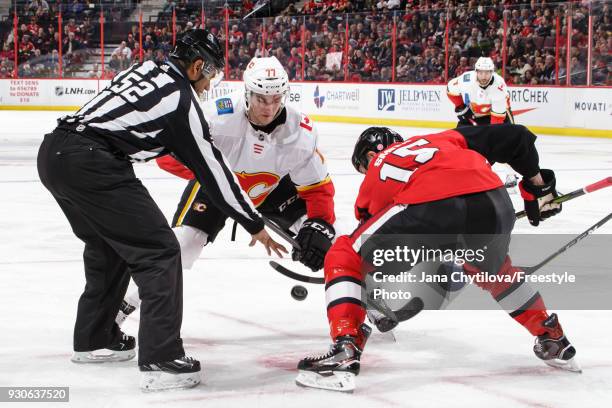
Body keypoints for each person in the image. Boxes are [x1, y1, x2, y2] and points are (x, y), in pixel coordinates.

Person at [37, 29, 285, 392]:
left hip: (55, 153)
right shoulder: (181, 102)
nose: (211, 81)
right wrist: (253, 223)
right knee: (162, 251)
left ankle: (94, 338)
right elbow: (214, 173)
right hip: (94, 163)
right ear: (198, 65)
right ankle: (161, 358)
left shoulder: (144, 69)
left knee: (109, 247)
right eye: (212, 71)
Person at [295, 125, 579, 392]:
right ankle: (553, 338)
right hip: (494, 202)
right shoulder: (445, 139)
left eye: (362, 167)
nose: (364, 172)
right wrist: (537, 190)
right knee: (495, 273)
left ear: (370, 155)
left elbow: (378, 254)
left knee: (344, 254)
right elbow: (519, 138)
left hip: (432, 206)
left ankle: (346, 349)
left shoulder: (377, 168)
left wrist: (363, 291)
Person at [116, 56, 336, 324]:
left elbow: (317, 189)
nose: (269, 108)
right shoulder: (215, 117)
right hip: (216, 187)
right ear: (247, 93)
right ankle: (122, 306)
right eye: (261, 99)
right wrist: (214, 175)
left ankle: (360, 303)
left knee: (326, 243)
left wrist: (320, 225)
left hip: (273, 188)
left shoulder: (299, 134)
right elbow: (167, 157)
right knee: (182, 246)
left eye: (276, 99)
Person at [447, 57, 514, 127]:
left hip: (498, 113)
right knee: (460, 136)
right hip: (475, 113)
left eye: (487, 72)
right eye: (481, 72)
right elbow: (450, 89)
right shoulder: (466, 80)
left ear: (492, 72)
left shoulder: (499, 87)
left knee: (509, 134)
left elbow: (497, 119)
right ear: (476, 71)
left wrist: (492, 134)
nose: (483, 76)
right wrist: (461, 106)